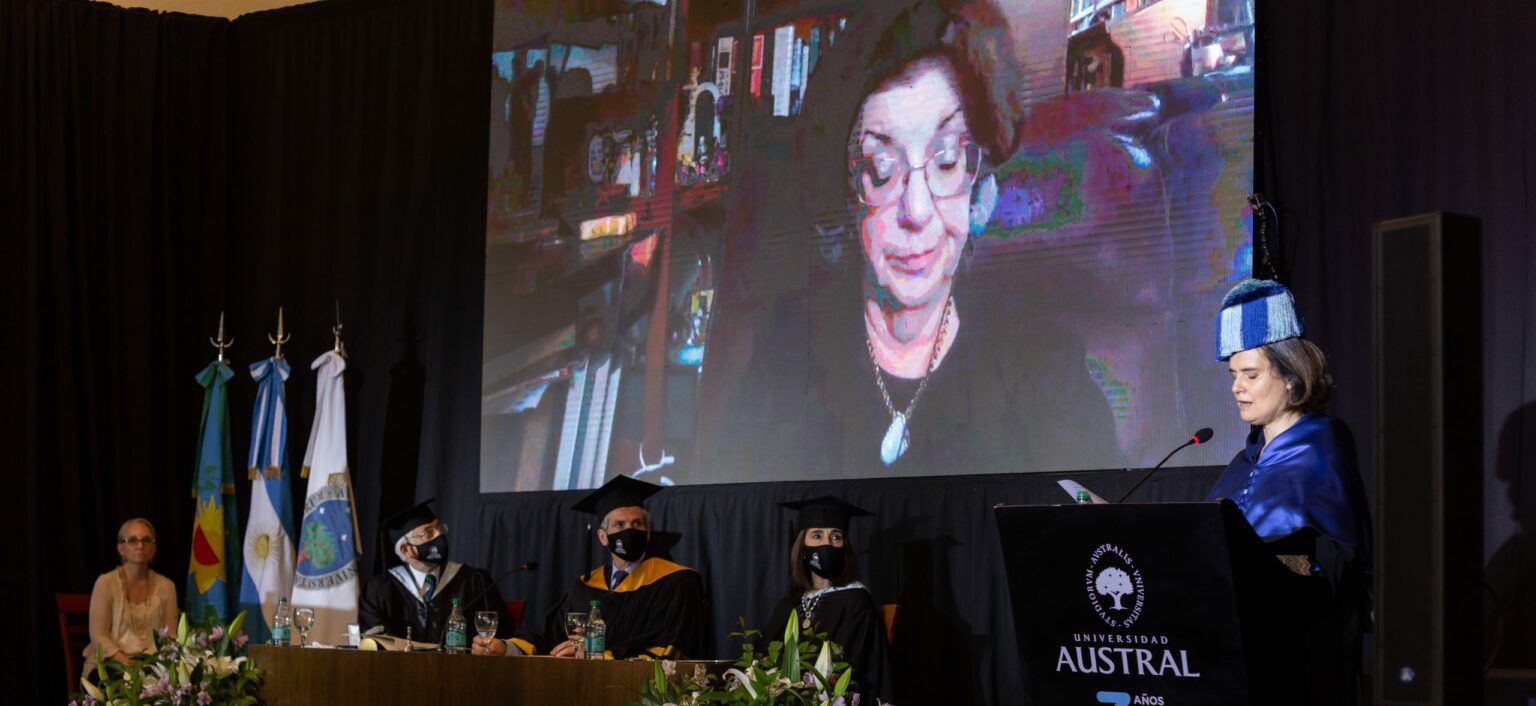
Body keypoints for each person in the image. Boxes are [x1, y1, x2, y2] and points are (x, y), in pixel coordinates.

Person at [695, 0, 1122, 482]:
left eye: (945, 161)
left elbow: (1107, 543)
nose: (917, 211)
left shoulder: (1045, 369)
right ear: (850, 192)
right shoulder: (786, 360)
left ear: (976, 178)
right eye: (881, 169)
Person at [1207, 278, 1373, 703]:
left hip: (1303, 657)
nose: (1235, 388)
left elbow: (1330, 564)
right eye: (1233, 375)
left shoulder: (1324, 445)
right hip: (1241, 652)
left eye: (1250, 374)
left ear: (1292, 379)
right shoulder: (1243, 463)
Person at [475, 476, 705, 659]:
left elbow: (670, 643)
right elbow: (549, 634)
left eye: (636, 524)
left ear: (647, 533)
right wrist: (506, 647)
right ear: (603, 537)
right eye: (620, 525)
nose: (629, 530)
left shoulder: (675, 580)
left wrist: (597, 656)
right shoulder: (587, 584)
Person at [762, 497, 891, 704]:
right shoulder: (789, 604)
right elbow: (764, 659)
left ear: (844, 547)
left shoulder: (856, 601)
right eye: (817, 535)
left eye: (836, 537)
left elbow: (853, 669)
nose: (827, 544)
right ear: (802, 546)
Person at [358, 499, 513, 644]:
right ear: (406, 550)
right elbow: (374, 641)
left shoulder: (475, 581)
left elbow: (501, 637)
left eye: (439, 528)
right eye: (428, 532)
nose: (439, 535)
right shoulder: (379, 590)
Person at [85, 518, 178, 672]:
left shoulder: (167, 586)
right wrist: (125, 662)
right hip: (112, 663)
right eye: (132, 540)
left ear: (153, 548)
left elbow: (171, 636)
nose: (140, 545)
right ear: (121, 548)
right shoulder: (105, 583)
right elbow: (98, 635)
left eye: (146, 540)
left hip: (153, 665)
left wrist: (154, 665)